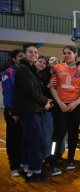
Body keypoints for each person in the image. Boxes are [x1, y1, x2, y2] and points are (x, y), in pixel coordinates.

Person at [13, 45, 52, 183]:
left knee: (29, 141)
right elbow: (29, 92)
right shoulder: (24, 70)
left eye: (36, 52)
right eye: (30, 52)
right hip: (28, 110)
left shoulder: (29, 69)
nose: (33, 54)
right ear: (24, 54)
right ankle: (34, 173)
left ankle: (27, 168)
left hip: (30, 109)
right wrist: (45, 101)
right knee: (38, 141)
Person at [49, 46, 80, 176]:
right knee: (58, 135)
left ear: (75, 54)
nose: (67, 55)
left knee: (73, 134)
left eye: (69, 53)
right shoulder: (58, 68)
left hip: (75, 106)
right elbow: (52, 87)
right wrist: (60, 103)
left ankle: (71, 159)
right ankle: (53, 161)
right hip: (60, 106)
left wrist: (76, 103)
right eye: (64, 53)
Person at [2, 49, 25, 177]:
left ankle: (20, 160)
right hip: (13, 111)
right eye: (20, 56)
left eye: (23, 56)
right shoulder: (8, 72)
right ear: (14, 59)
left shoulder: (25, 71)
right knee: (13, 138)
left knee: (22, 137)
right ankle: (14, 165)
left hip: (24, 110)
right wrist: (12, 110)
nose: (22, 58)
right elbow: (7, 93)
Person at [40, 56, 59, 163]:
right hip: (48, 110)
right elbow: (40, 92)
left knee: (61, 134)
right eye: (52, 60)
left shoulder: (63, 75)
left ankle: (58, 154)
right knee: (48, 135)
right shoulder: (43, 75)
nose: (55, 61)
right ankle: (48, 155)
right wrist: (48, 85)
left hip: (61, 109)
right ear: (48, 63)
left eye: (57, 60)